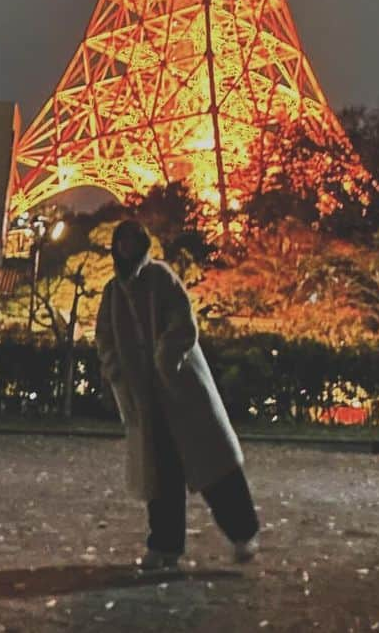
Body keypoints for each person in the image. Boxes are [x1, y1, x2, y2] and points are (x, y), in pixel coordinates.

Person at [95, 218, 259, 571]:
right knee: (160, 476)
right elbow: (105, 339)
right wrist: (118, 376)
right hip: (147, 398)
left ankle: (243, 534)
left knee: (215, 468)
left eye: (131, 240)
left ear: (143, 243)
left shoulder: (162, 277)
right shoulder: (112, 292)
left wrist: (165, 360)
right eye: (120, 241)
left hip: (183, 392)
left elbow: (184, 323)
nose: (126, 247)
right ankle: (165, 545)